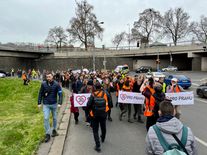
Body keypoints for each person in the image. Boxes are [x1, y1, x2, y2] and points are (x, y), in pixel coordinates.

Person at [38, 72, 62, 143]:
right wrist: (39, 102)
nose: (48, 78)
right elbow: (40, 93)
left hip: (54, 104)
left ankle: (54, 130)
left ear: (52, 77)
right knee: (46, 118)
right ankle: (47, 134)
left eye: (49, 76)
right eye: (47, 77)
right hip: (46, 104)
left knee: (54, 118)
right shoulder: (43, 84)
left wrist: (60, 102)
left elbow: (60, 94)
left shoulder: (57, 84)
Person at [87, 82, 109, 152]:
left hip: (94, 115)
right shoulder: (105, 94)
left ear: (95, 87)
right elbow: (109, 103)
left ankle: (98, 146)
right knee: (103, 127)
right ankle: (103, 137)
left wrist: (89, 111)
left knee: (95, 130)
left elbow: (88, 105)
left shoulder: (93, 95)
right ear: (101, 87)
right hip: (103, 114)